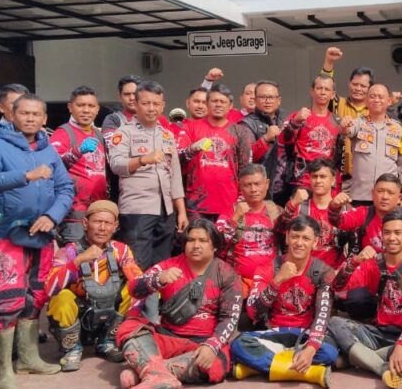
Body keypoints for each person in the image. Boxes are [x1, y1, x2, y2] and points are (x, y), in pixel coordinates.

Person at [0, 93, 75, 389]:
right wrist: (25, 176)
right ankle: (4, 368)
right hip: (7, 234)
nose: (30, 118)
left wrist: (52, 216)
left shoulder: (49, 149)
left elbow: (65, 188)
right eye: (24, 113)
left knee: (36, 295)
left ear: (45, 118)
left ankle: (29, 358)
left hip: (42, 235)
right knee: (9, 299)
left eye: (36, 114)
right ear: (12, 115)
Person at [115, 219, 241, 389]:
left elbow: (230, 318)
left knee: (217, 365)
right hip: (168, 338)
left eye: (203, 240)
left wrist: (212, 346)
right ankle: (155, 375)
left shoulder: (227, 274)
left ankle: (147, 372)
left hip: (202, 343)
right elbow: (134, 288)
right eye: (191, 240)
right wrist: (158, 279)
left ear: (214, 246)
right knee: (129, 326)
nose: (196, 245)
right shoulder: (169, 266)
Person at [230, 217, 338, 387]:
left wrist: (311, 348)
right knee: (239, 345)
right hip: (273, 334)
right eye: (295, 237)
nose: (299, 243)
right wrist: (277, 281)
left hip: (305, 335)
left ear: (315, 242)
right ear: (287, 237)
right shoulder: (267, 269)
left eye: (306, 238)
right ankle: (306, 373)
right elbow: (252, 312)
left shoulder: (324, 272)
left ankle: (260, 368)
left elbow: (322, 315)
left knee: (330, 351)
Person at [327, 209, 402, 389]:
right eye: (387, 232)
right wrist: (355, 261)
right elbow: (337, 286)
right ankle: (381, 367)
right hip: (377, 334)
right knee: (335, 323)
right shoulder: (375, 262)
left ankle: (356, 359)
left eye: (397, 233)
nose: (392, 238)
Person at [44, 200, 142, 370]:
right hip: (79, 317)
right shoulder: (69, 251)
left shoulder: (121, 250)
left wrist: (157, 282)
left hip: (108, 313)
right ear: (85, 223)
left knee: (134, 290)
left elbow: (138, 280)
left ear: (115, 226)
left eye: (108, 223)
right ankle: (71, 349)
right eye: (97, 222)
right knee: (61, 297)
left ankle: (107, 341)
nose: (102, 228)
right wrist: (78, 261)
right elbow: (50, 288)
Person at [107, 81, 188, 271]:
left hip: (166, 211)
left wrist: (181, 211)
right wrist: (142, 160)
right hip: (137, 210)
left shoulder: (167, 135)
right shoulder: (124, 132)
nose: (151, 108)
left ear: (163, 105)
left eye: (156, 103)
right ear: (136, 104)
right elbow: (116, 165)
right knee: (137, 265)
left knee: (162, 265)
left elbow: (175, 176)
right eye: (146, 103)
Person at [181, 84, 251, 220]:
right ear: (207, 103)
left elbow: (246, 169)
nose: (218, 104)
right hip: (196, 205)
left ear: (230, 106)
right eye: (214, 101)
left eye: (222, 101)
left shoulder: (240, 132)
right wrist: (192, 149)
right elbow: (177, 160)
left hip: (229, 205)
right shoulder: (190, 128)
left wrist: (242, 199)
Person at [49, 85, 108, 244]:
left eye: (91, 106)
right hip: (74, 215)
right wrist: (77, 152)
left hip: (98, 213)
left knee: (98, 257)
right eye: (81, 105)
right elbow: (52, 167)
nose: (86, 110)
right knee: (75, 256)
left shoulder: (98, 134)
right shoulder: (62, 133)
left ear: (97, 109)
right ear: (70, 107)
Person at [341, 84, 402, 205]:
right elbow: (346, 131)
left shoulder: (399, 128)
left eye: (380, 97)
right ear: (366, 100)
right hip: (361, 195)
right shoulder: (358, 123)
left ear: (389, 101)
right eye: (372, 96)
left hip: (388, 196)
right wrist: (344, 126)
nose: (376, 100)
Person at [216, 164, 280, 298]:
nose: (253, 189)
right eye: (247, 185)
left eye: (257, 184)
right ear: (240, 187)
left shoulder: (276, 212)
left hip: (271, 282)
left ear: (267, 184)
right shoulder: (230, 212)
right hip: (238, 283)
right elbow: (216, 246)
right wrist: (235, 219)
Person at [330, 173, 402, 262]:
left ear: (399, 198)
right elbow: (338, 222)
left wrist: (381, 260)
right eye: (380, 191)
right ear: (373, 193)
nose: (385, 197)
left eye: (390, 193)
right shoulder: (363, 213)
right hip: (367, 267)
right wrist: (334, 207)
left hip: (398, 268)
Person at [277, 159, 347, 269]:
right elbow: (279, 230)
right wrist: (292, 204)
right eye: (314, 176)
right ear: (309, 179)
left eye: (323, 176)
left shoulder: (343, 208)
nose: (318, 181)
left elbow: (355, 246)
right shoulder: (298, 206)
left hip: (333, 270)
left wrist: (341, 270)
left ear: (333, 180)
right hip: (303, 270)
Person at [279, 75, 341, 198]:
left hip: (327, 183)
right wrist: (295, 122)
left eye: (327, 89)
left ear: (333, 94)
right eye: (319, 88)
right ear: (312, 91)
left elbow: (340, 158)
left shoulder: (338, 121)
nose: (322, 92)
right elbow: (282, 140)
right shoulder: (299, 116)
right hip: (302, 182)